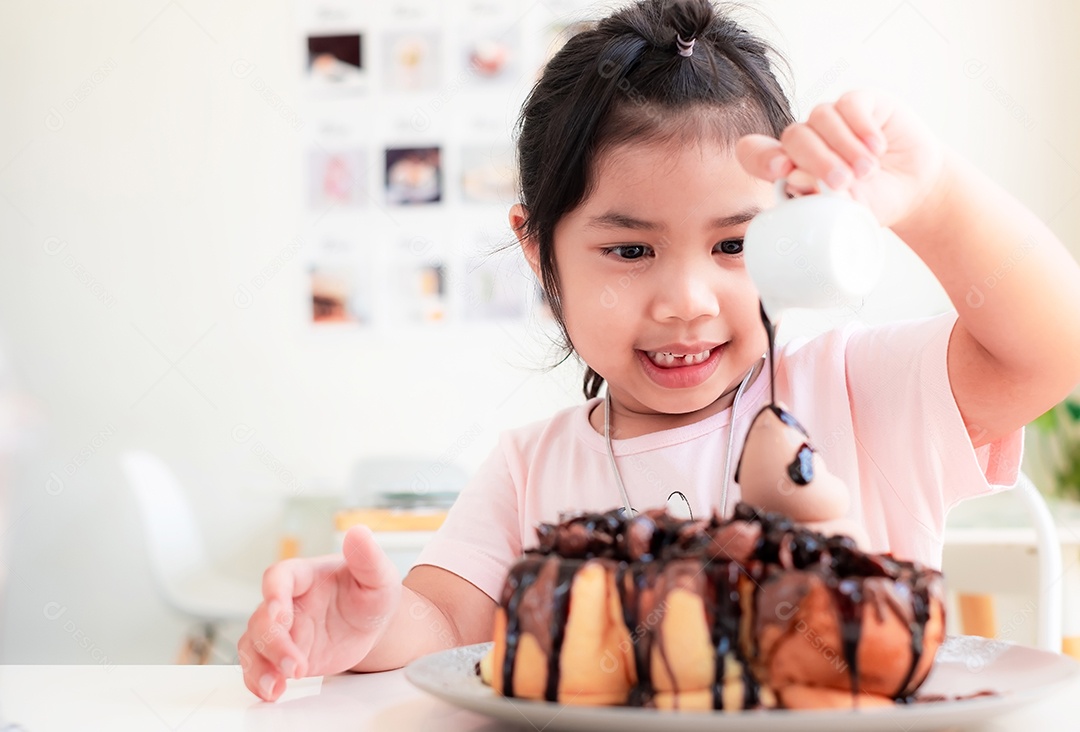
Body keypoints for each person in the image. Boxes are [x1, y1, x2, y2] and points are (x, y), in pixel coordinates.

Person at [240, 0, 1080, 701]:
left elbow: (1050, 347)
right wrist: (366, 626)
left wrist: (931, 197)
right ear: (541, 256)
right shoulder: (530, 468)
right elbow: (450, 625)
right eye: (632, 251)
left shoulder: (857, 392)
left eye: (733, 245)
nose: (687, 301)